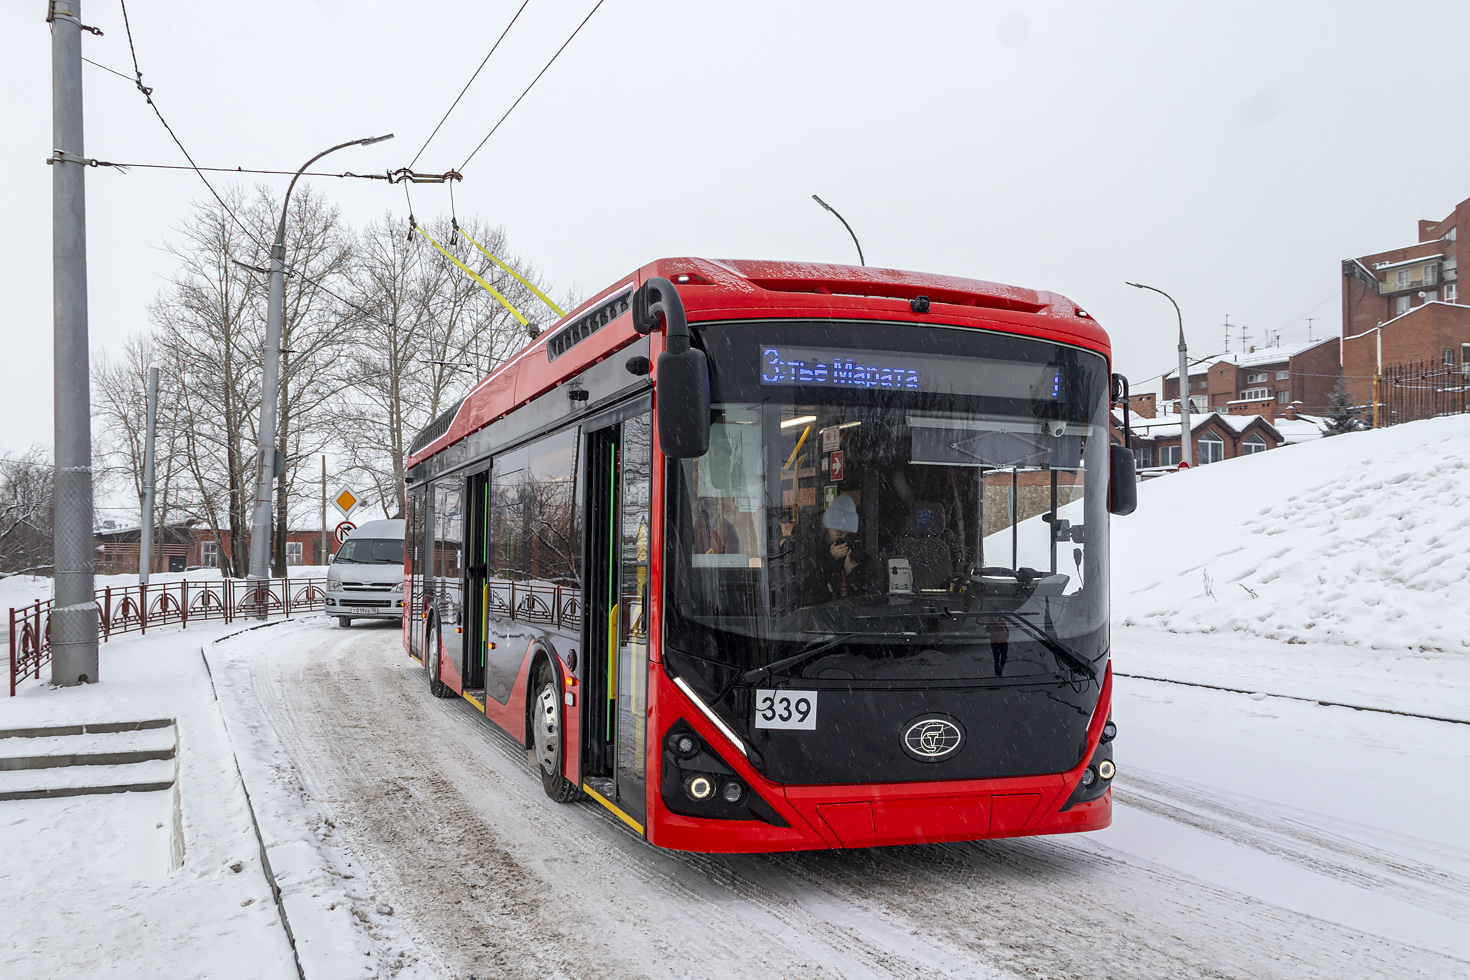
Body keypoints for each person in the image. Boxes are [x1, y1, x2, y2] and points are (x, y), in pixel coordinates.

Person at [819, 495, 872, 600]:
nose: (843, 539)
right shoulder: (813, 544)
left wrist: (847, 571)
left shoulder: (850, 544)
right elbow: (813, 588)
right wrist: (830, 559)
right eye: (839, 534)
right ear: (828, 527)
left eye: (847, 535)